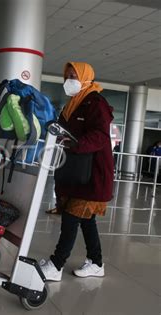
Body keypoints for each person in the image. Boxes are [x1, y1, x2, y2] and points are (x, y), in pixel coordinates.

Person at [40, 62, 114, 281]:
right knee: (85, 220)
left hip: (92, 173)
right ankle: (97, 263)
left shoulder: (96, 103)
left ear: (85, 77)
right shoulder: (73, 103)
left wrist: (76, 143)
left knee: (72, 217)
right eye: (67, 75)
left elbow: (100, 135)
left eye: (74, 75)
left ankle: (56, 264)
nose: (69, 79)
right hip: (74, 171)